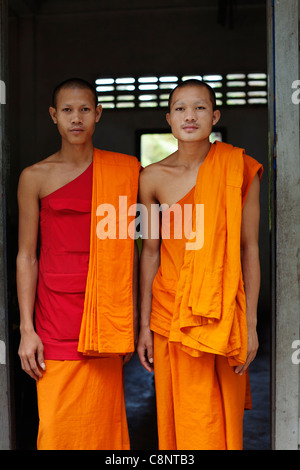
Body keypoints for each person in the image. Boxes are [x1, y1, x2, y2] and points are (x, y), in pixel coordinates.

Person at [137, 79, 263, 450]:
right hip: (171, 312)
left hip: (225, 312)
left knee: (223, 417)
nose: (190, 116)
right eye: (180, 108)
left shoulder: (237, 168)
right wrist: (144, 326)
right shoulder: (152, 177)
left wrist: (251, 324)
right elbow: (150, 252)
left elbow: (249, 249)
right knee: (186, 418)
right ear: (169, 118)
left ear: (215, 116)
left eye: (200, 107)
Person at [16, 78, 140, 450]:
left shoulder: (124, 171)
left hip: (105, 314)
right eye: (67, 110)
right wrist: (26, 329)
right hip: (54, 319)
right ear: (54, 116)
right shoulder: (34, 177)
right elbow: (27, 255)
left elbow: (135, 249)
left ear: (98, 114)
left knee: (103, 427)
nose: (76, 118)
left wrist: (133, 319)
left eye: (85, 109)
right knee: (56, 429)